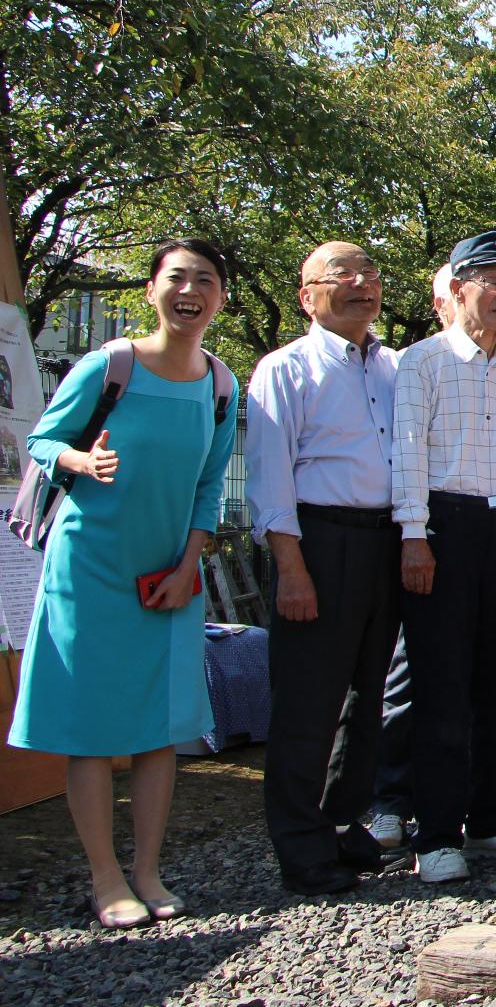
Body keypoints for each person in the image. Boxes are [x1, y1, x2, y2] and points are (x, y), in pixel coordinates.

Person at [8, 240, 239, 928]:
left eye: (205, 279)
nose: (190, 289)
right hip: (91, 570)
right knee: (91, 729)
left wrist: (189, 562)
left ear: (220, 297)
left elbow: (208, 490)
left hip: (168, 577)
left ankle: (147, 870)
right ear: (150, 290)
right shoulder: (109, 364)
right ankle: (105, 877)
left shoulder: (221, 384)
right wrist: (82, 457)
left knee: (158, 728)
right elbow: (43, 440)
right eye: (177, 277)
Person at [391, 230, 496, 883]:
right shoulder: (422, 363)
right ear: (458, 287)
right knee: (441, 684)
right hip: (444, 526)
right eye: (494, 283)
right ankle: (435, 833)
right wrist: (413, 534)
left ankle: (493, 820)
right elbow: (407, 454)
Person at [248, 242, 402, 896]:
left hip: (385, 542)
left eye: (369, 273)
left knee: (367, 696)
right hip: (316, 540)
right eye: (343, 276)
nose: (362, 284)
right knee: (308, 701)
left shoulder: (394, 366)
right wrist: (291, 566)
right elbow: (270, 476)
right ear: (308, 294)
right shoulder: (284, 369)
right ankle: (299, 842)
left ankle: (342, 820)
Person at [364, 260, 458, 848]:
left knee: (457, 676)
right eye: (452, 293)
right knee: (406, 671)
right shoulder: (415, 363)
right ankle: (390, 798)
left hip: (450, 528)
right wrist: (413, 533)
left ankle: (451, 795)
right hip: (407, 527)